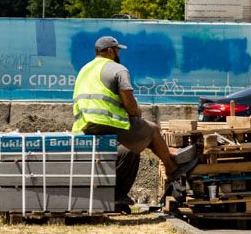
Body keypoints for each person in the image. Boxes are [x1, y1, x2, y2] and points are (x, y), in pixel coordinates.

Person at [73, 36, 194, 212]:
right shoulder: (118, 69)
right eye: (117, 50)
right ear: (109, 51)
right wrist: (137, 112)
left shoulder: (84, 69)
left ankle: (116, 197)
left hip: (85, 127)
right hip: (107, 123)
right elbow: (130, 106)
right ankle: (171, 168)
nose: (118, 53)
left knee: (129, 151)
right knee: (152, 130)